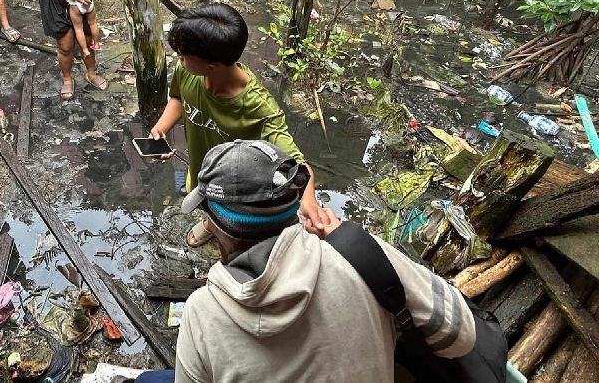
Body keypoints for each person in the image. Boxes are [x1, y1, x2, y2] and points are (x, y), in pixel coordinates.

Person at [163, 140, 474, 383]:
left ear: (217, 225)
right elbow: (461, 338)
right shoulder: (359, 255)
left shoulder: (202, 313)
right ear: (294, 208)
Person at [149, 3, 324, 246]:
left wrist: (308, 199)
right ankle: (211, 221)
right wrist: (161, 128)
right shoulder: (188, 71)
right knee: (202, 197)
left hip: (235, 188)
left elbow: (296, 162)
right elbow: (178, 98)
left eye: (183, 56)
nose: (179, 59)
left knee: (231, 226)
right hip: (201, 169)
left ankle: (216, 225)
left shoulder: (260, 108)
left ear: (211, 66)